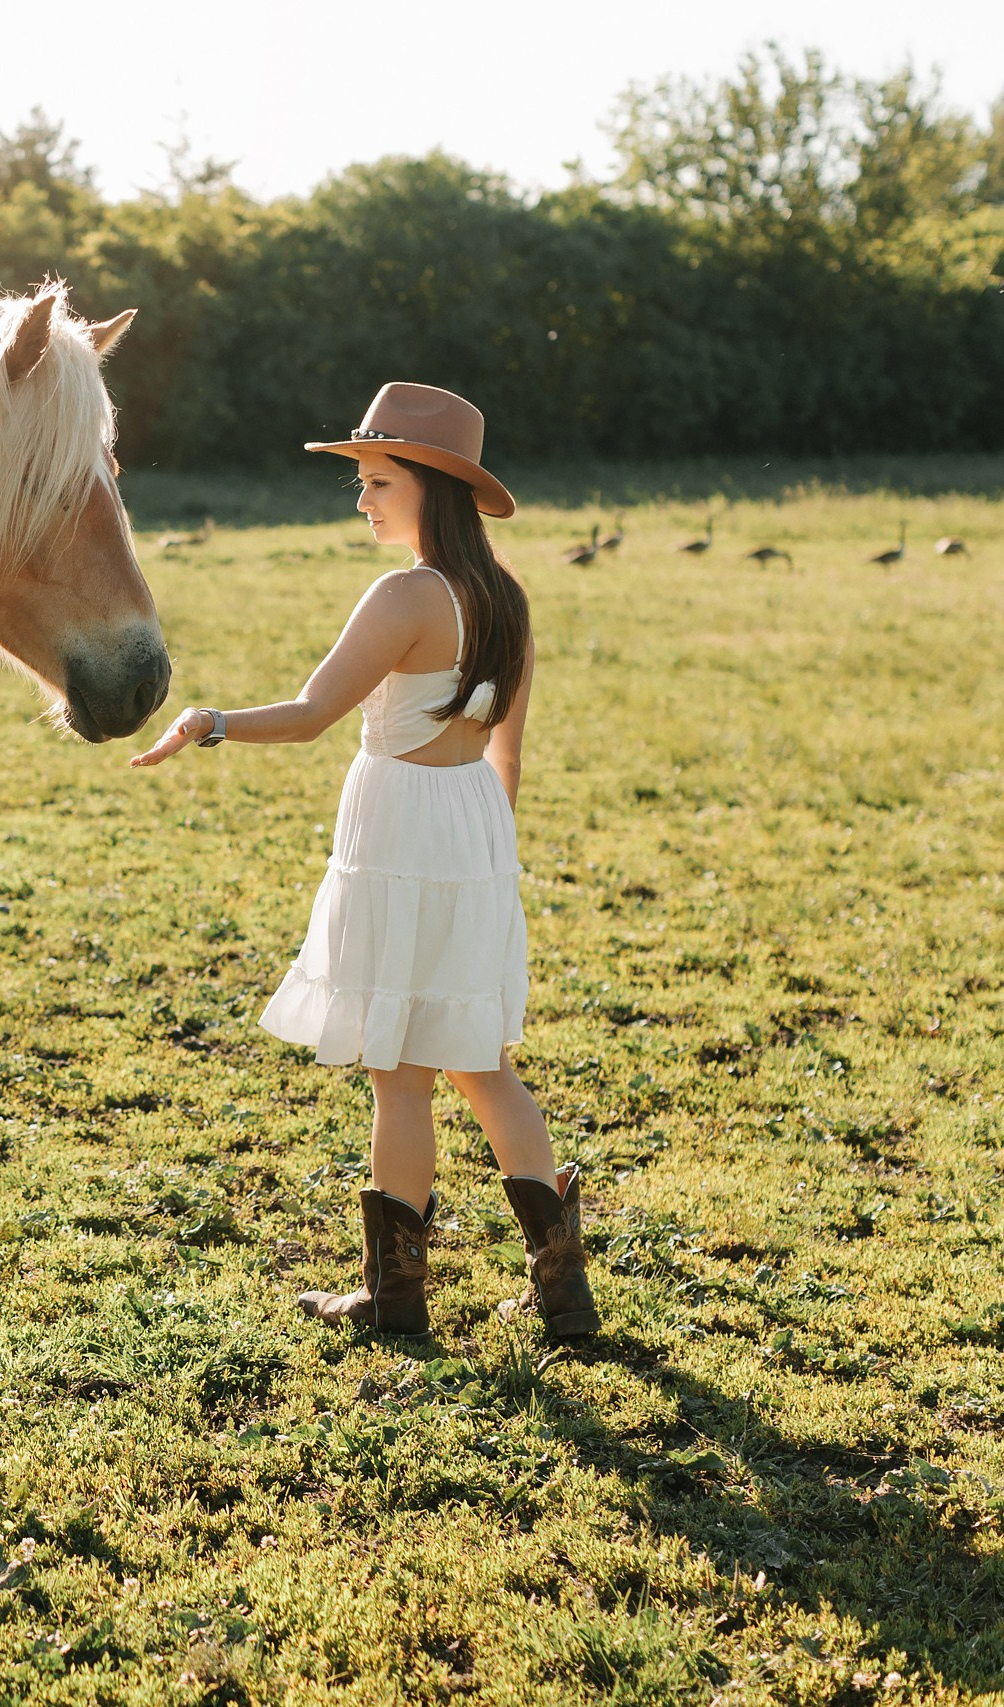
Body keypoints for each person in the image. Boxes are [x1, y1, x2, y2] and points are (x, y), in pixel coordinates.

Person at [129, 383, 596, 1340]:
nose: (363, 499)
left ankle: (395, 1301)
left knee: (398, 1071)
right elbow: (507, 753)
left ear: (431, 484)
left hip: (401, 831)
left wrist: (209, 721)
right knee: (483, 1063)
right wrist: (481, 865)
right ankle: (564, 1292)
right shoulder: (506, 597)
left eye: (379, 480)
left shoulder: (404, 595)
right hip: (475, 834)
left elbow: (308, 718)